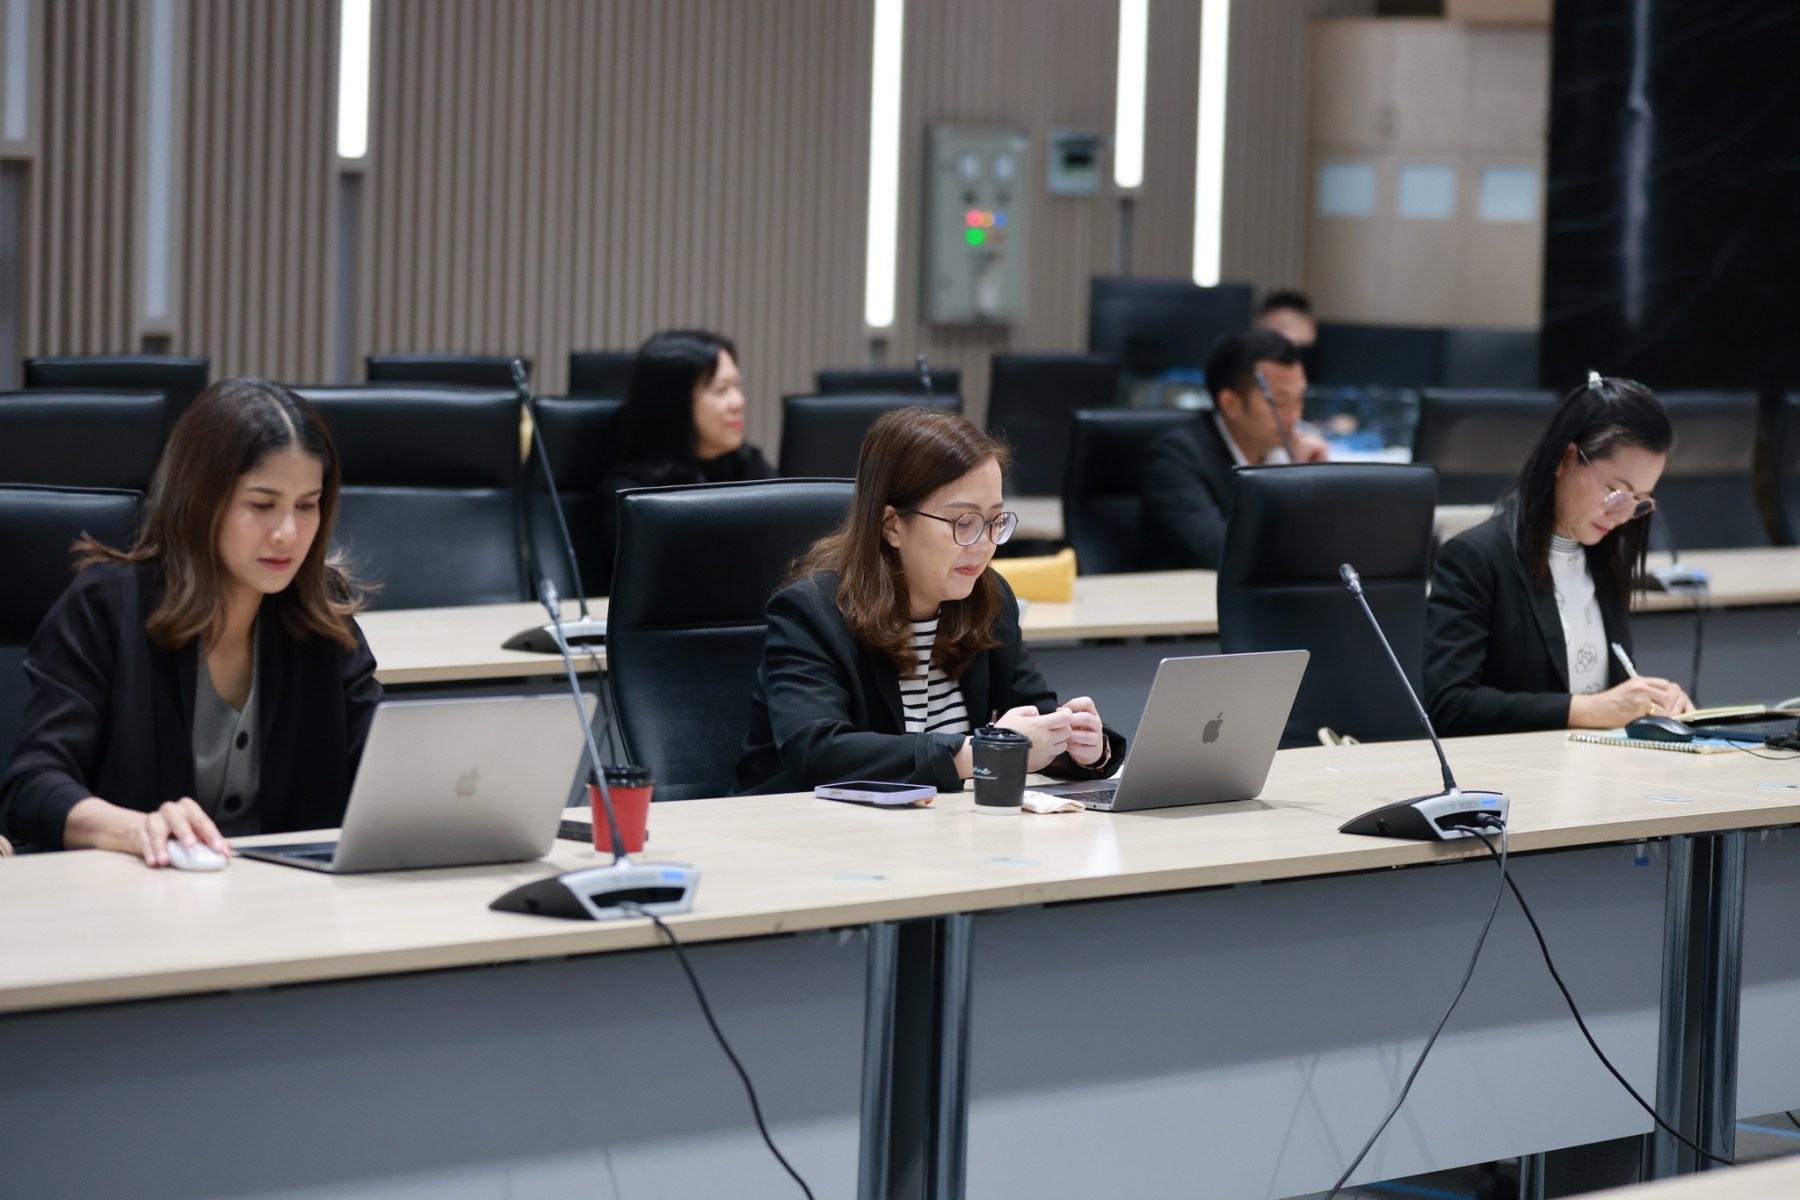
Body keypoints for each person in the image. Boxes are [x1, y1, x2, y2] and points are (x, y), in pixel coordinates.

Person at [0, 378, 382, 864]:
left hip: (287, 897)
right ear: (202, 499)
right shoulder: (106, 607)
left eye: (307, 504)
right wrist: (138, 829)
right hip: (135, 895)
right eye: (262, 505)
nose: (288, 532)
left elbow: (385, 762)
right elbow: (32, 786)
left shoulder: (321, 613)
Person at [735, 407, 1125, 794]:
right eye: (964, 523)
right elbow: (818, 753)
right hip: (798, 826)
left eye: (994, 521)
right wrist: (981, 753)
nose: (984, 544)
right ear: (892, 526)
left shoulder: (989, 597)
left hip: (935, 827)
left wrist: (1082, 746)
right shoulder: (811, 612)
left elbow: (1032, 720)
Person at [1425, 372, 1695, 737]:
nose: (1622, 515)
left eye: (1639, 502)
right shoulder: (1477, 558)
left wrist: (1651, 700)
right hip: (1514, 766)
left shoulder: (1606, 557)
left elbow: (1609, 689)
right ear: (1566, 459)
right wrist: (1590, 709)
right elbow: (1448, 705)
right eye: (1616, 493)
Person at [1138, 329, 1328, 570]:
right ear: (1231, 404)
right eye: (1280, 402)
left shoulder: (1288, 454)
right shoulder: (1176, 457)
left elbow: (1327, 546)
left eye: (1299, 399)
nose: (1295, 416)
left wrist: (1311, 482)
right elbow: (1219, 551)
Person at [598, 330, 775, 572]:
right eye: (721, 389)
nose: (738, 402)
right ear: (675, 402)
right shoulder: (632, 493)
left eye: (737, 386)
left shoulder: (750, 465)